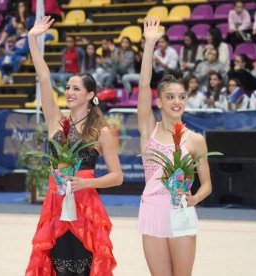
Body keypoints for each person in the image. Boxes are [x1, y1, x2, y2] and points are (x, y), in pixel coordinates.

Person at [25, 16, 123, 276]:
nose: (69, 92)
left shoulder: (101, 131)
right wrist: (32, 38)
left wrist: (87, 182)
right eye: (67, 87)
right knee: (58, 270)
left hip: (86, 209)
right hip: (55, 207)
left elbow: (117, 176)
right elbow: (44, 78)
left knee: (84, 268)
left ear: (91, 95)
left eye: (76, 88)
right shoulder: (56, 122)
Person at [137, 17, 213, 276]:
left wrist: (194, 199)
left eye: (181, 97)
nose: (176, 101)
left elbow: (206, 185)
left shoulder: (195, 139)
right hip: (151, 211)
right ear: (159, 102)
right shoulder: (149, 129)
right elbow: (144, 85)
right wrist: (150, 44)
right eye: (170, 97)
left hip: (180, 212)